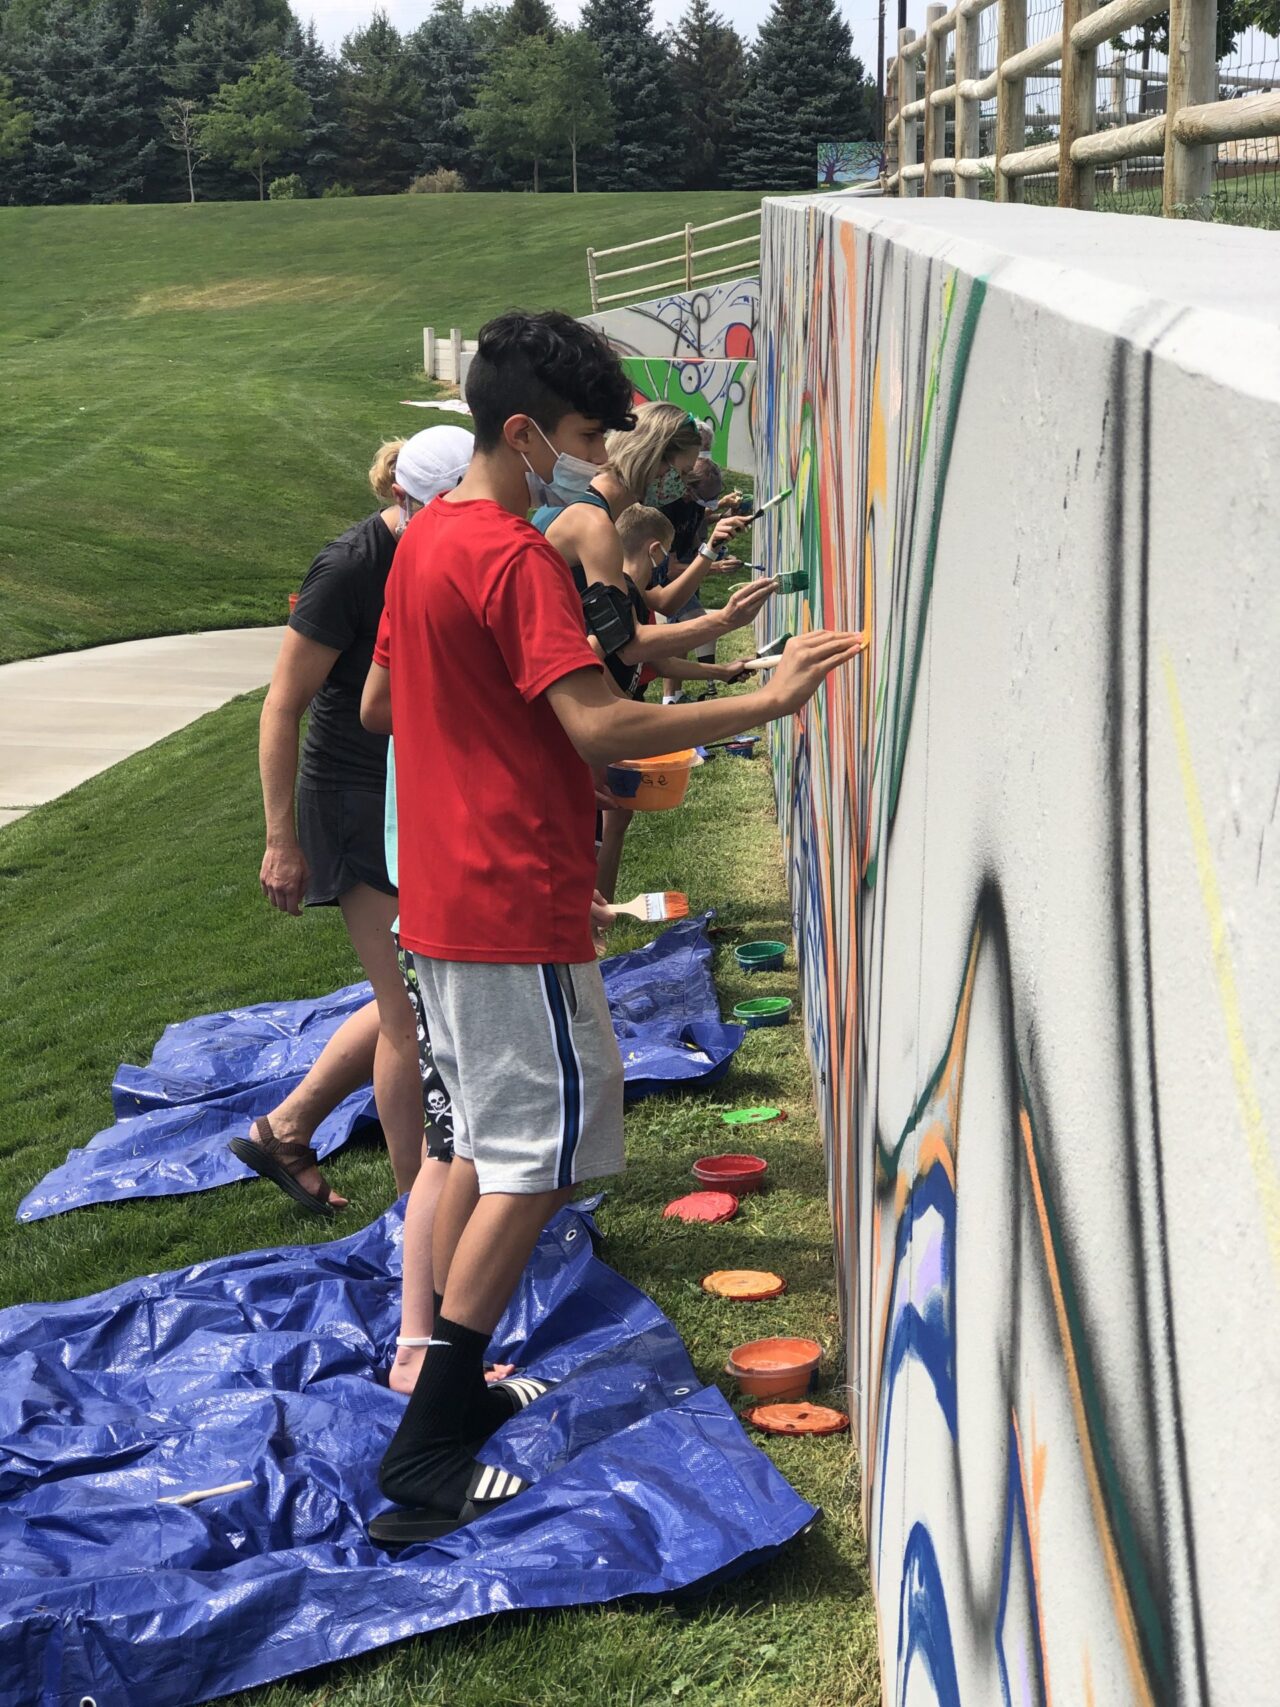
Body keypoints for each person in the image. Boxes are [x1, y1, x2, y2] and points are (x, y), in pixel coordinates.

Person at [368, 308, 865, 1547]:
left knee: (508, 1149)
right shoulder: (513, 556)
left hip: (449, 896)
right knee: (542, 1161)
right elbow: (600, 727)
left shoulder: (428, 539)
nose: (595, 464)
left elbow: (383, 705)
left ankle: (452, 1393)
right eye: (585, 437)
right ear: (523, 430)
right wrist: (771, 695)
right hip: (505, 904)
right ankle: (426, 1451)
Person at [229, 427, 473, 1215]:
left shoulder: (447, 548)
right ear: (408, 500)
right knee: (411, 1017)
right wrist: (280, 840)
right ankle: (416, 1215)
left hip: (414, 795)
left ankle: (288, 1127)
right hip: (352, 800)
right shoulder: (351, 566)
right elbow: (281, 705)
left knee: (417, 988)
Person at [592, 503, 750, 900]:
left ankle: (602, 920)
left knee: (617, 815)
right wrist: (724, 620)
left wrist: (722, 670)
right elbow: (600, 655)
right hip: (595, 727)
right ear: (656, 550)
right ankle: (594, 921)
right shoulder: (619, 597)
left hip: (611, 724)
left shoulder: (635, 594)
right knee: (596, 825)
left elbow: (658, 660)